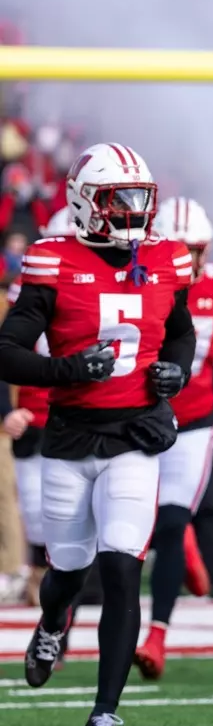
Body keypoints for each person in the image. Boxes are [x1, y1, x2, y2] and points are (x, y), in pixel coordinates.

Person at [0, 143, 196, 726]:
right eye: (119, 201)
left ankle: (104, 714)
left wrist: (176, 374)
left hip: (133, 438)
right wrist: (64, 370)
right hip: (68, 436)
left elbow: (182, 331)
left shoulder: (166, 257)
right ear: (86, 202)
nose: (134, 214)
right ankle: (53, 621)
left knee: (121, 567)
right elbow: (7, 350)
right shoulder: (53, 260)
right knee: (66, 570)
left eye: (141, 200)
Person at [133, 196, 213, 680]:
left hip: (196, 419)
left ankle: (158, 635)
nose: (191, 260)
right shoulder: (134, 277)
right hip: (137, 418)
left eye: (198, 249)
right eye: (181, 248)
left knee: (168, 522)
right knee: (134, 528)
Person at [6, 210, 71, 608]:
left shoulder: (120, 284)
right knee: (36, 510)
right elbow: (8, 353)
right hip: (37, 415)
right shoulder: (29, 286)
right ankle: (39, 585)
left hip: (91, 413)